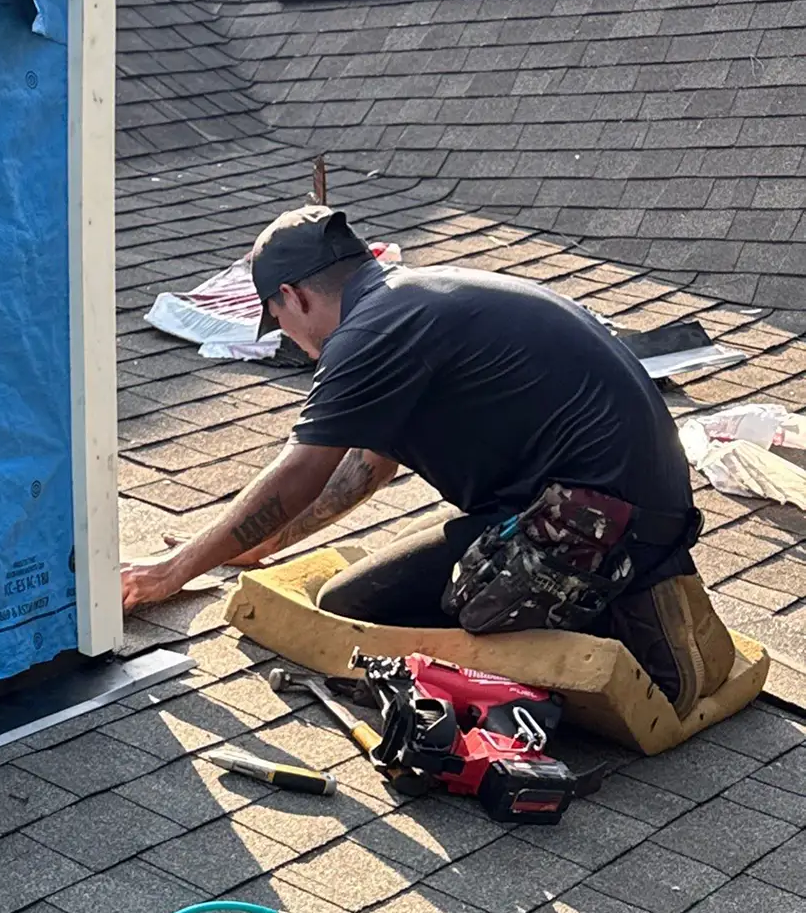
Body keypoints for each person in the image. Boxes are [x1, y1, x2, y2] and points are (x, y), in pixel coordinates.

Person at [119, 206, 728, 713]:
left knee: (357, 611)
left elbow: (300, 472)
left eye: (275, 320)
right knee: (381, 579)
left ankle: (628, 630)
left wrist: (173, 570)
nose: (284, 338)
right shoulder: (407, 302)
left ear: (291, 295)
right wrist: (269, 541)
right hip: (618, 507)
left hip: (598, 528)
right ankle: (637, 590)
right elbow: (366, 466)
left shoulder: (367, 334)